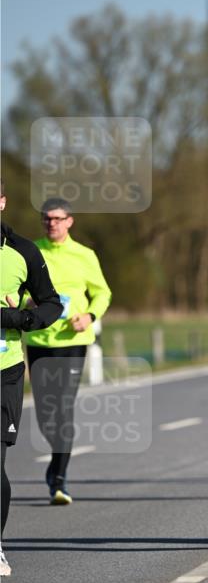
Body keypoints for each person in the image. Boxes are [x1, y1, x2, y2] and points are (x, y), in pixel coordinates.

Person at [25, 198, 112, 505]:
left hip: (73, 340)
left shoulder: (84, 255)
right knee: (46, 414)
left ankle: (59, 479)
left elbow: (102, 292)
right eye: (47, 219)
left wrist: (89, 316)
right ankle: (56, 462)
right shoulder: (31, 251)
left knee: (63, 406)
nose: (52, 224)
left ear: (69, 221)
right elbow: (16, 291)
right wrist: (26, 305)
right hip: (39, 341)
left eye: (58, 219)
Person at [1, 182, 62, 574]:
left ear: (2, 201)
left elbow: (52, 304)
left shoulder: (23, 250)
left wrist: (18, 318)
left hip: (3, 371)